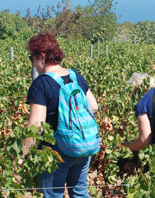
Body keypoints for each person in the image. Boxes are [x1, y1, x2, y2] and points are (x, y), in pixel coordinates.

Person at [21, 33, 99, 197]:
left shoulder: (41, 83)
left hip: (56, 151)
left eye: (32, 58)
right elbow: (94, 107)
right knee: (79, 193)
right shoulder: (75, 76)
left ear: (42, 57)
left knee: (52, 195)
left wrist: (23, 155)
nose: (33, 64)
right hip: (82, 147)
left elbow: (36, 124)